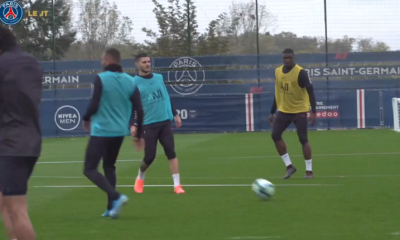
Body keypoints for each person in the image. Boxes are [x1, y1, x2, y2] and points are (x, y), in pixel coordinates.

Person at [82, 48, 145, 219]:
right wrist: (139, 135)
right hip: (118, 132)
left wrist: (85, 118)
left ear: (109, 60)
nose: (102, 62)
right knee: (109, 166)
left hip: (102, 130)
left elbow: (94, 104)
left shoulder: (101, 78)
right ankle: (111, 208)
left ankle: (116, 197)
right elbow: (139, 108)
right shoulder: (130, 81)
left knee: (89, 169)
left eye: (103, 60)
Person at [0, 26, 43, 240]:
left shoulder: (3, 64)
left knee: (16, 209)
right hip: (31, 140)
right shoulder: (32, 62)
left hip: (10, 143)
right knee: (5, 204)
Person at [131, 53, 185, 194]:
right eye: (144, 62)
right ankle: (140, 177)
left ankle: (177, 186)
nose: (148, 64)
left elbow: (166, 97)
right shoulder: (134, 83)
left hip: (164, 122)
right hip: (148, 124)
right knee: (149, 157)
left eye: (149, 61)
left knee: (171, 152)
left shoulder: (159, 78)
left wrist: (175, 114)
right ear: (137, 64)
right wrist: (133, 125)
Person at [269, 48, 317, 179]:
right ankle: (289, 167)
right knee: (275, 135)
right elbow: (277, 93)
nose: (287, 60)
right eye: (285, 58)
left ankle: (309, 171)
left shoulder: (301, 73)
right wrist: (272, 112)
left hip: (299, 110)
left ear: (294, 57)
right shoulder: (278, 71)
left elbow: (310, 91)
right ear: (282, 58)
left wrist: (313, 111)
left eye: (289, 57)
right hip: (284, 110)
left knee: (303, 139)